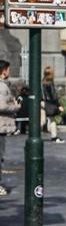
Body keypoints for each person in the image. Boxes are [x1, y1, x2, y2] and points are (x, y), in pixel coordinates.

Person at [0, 60, 18, 196]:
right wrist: (16, 107)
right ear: (4, 71)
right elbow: (2, 106)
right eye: (8, 69)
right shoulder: (1, 86)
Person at [41, 66, 62, 142]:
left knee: (43, 120)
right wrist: (59, 105)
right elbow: (53, 96)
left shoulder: (43, 81)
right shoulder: (50, 83)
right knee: (51, 119)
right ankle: (54, 136)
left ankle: (53, 136)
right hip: (49, 103)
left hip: (42, 102)